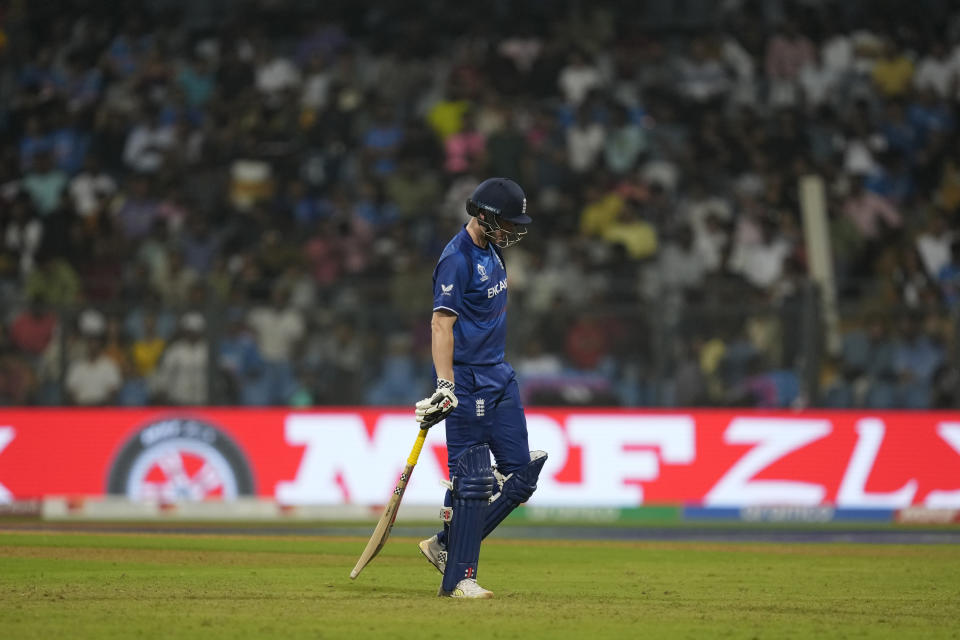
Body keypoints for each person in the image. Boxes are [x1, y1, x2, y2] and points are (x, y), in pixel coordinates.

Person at [414, 178, 547, 599]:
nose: (512, 230)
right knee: (472, 482)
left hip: (500, 374)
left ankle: (445, 545)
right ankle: (458, 580)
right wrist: (445, 383)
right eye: (506, 221)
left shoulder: (493, 252)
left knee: (521, 476)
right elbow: (440, 324)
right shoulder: (456, 258)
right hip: (469, 380)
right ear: (485, 216)